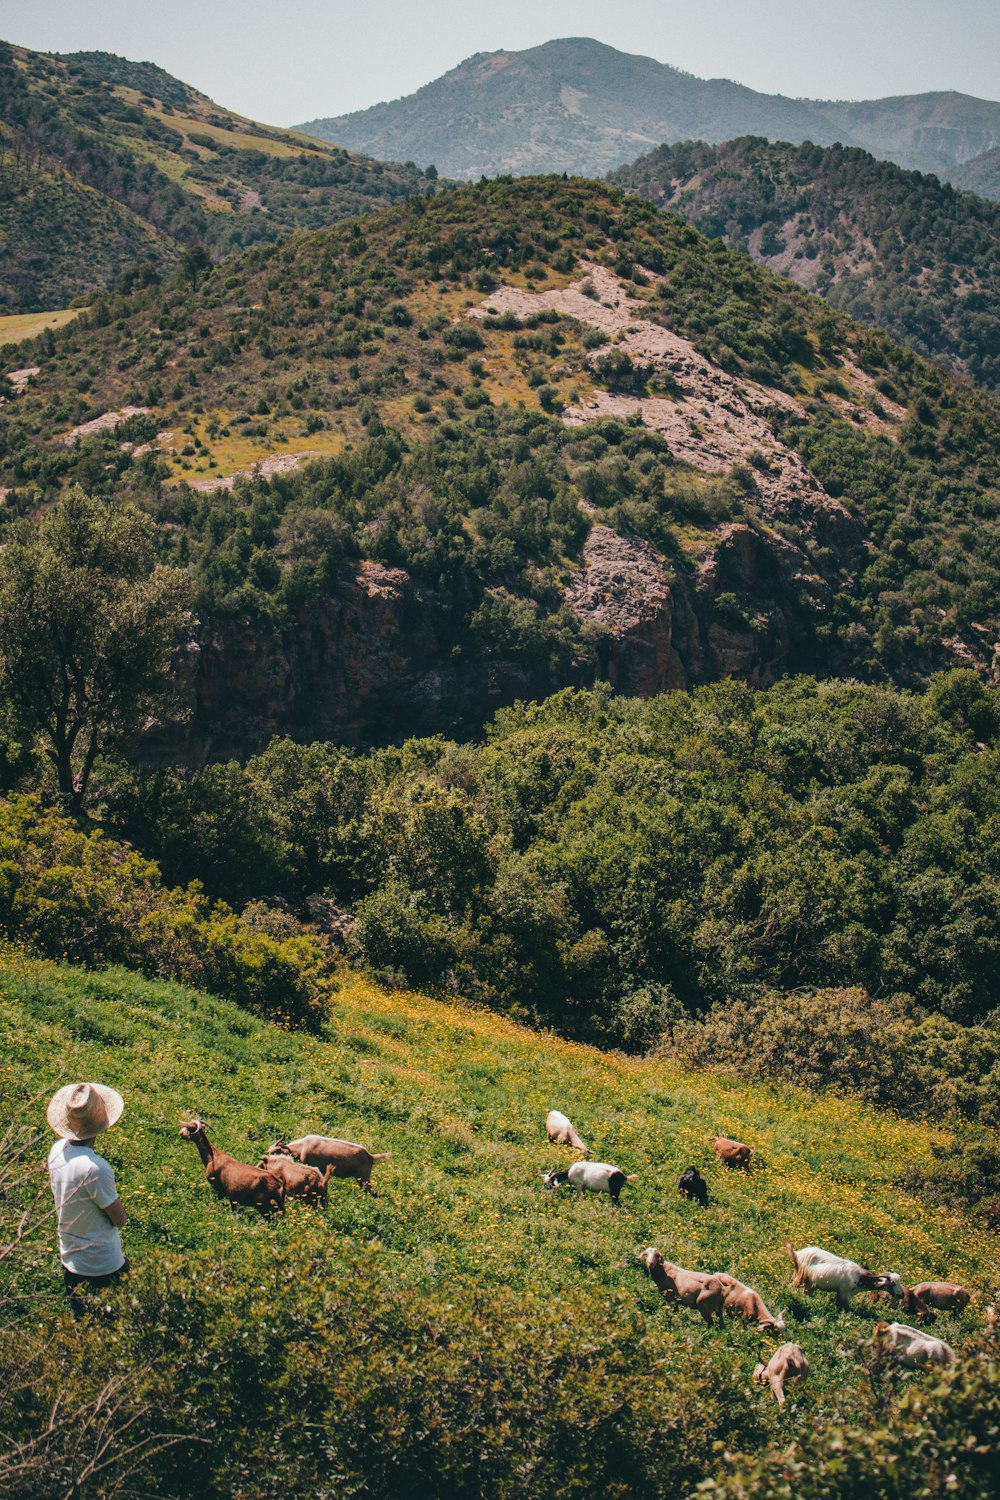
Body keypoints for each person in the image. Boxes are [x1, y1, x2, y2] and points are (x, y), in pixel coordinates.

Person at [46, 1081, 128, 1317]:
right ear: (101, 1124)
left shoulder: (57, 1151)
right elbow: (119, 1220)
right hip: (102, 1263)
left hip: (71, 1258)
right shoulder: (96, 1169)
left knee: (82, 1327)